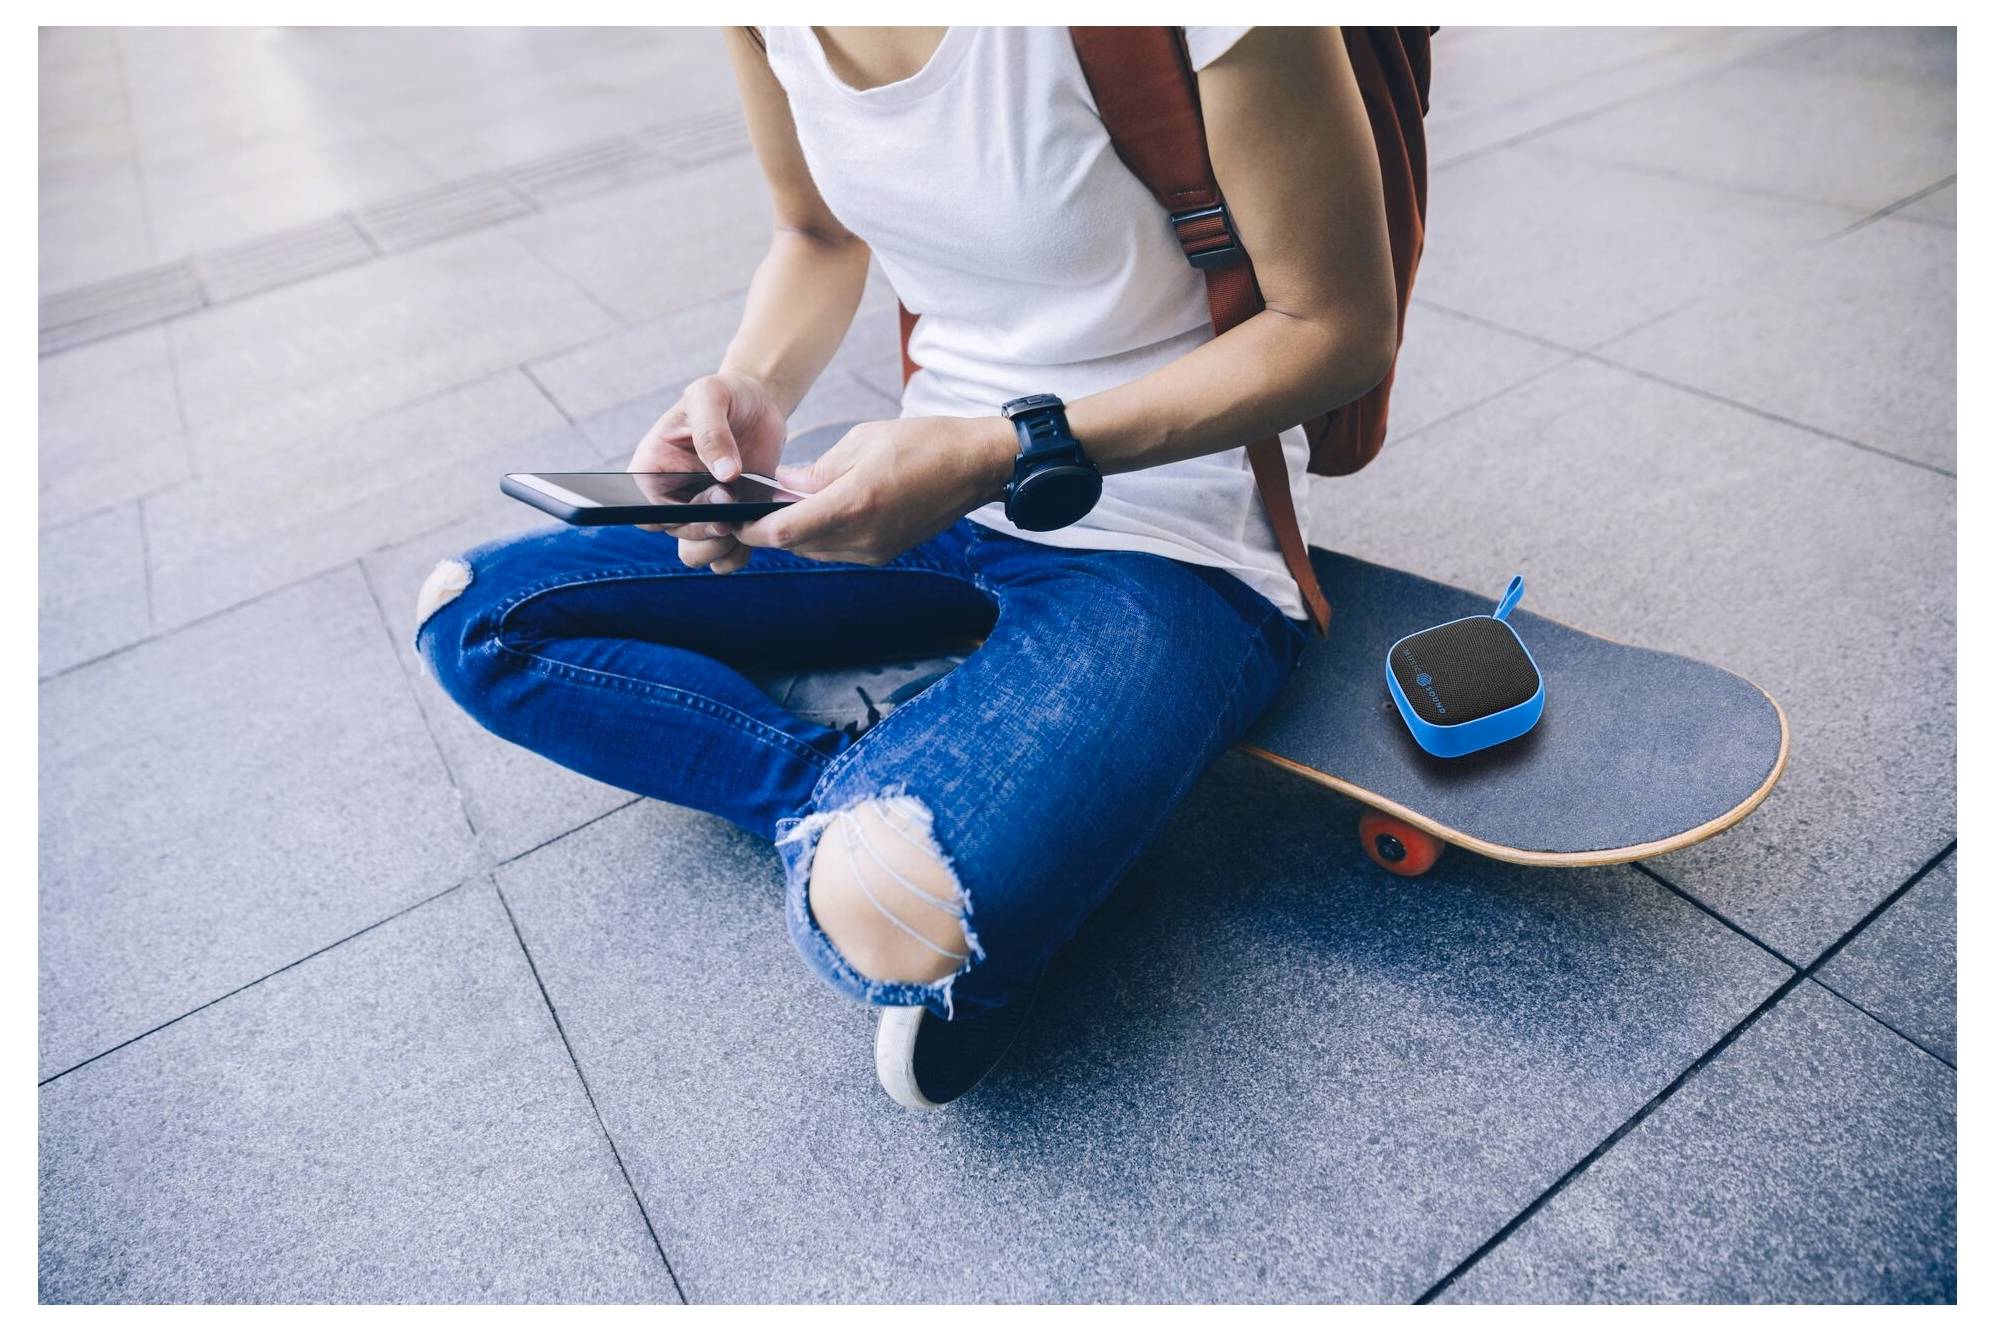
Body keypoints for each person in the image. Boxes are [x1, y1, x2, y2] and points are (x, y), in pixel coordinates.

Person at [416, 26, 1396, 1109]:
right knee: (474, 616)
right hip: (912, 483)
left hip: (1166, 531)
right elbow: (815, 234)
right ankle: (892, 786)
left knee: (884, 910)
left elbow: (1336, 328)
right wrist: (751, 389)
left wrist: (997, 452)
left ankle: (946, 792)